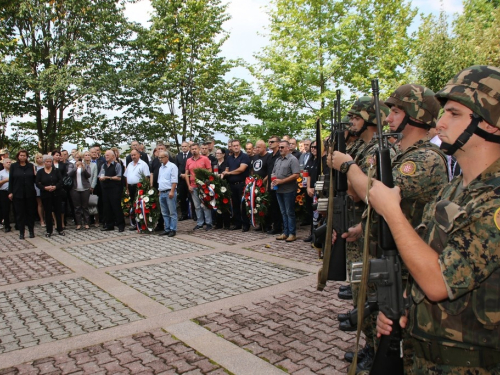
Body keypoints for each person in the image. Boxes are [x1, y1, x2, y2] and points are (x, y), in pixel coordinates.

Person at [373, 66, 500, 374]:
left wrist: (390, 210)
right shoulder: (457, 188)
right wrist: (403, 304)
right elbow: (428, 257)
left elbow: (438, 283)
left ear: (491, 124)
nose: (440, 123)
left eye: (454, 114)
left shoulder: (494, 201)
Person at [332, 87, 449, 372]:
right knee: (378, 308)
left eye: (397, 112)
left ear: (416, 117)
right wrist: (363, 225)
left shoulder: (424, 160)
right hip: (387, 248)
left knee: (397, 328)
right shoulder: (400, 153)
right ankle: (375, 350)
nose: (389, 118)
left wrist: (348, 166)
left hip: (408, 258)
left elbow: (374, 194)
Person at [271, 140, 300, 242]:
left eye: (282, 147)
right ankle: (285, 232)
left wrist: (282, 181)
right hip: (279, 190)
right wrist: (273, 181)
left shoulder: (293, 159)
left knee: (289, 212)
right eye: (279, 147)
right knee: (283, 212)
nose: (280, 149)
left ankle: (292, 233)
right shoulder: (278, 160)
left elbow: (296, 174)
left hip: (289, 190)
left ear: (288, 148)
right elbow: (273, 172)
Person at [222, 139, 251, 232]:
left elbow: (241, 169)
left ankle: (246, 224)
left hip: (242, 184)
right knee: (235, 205)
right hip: (232, 185)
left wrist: (229, 173)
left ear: (240, 146)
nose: (235, 147)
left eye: (237, 145)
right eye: (234, 145)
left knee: (243, 205)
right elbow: (226, 169)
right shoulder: (229, 158)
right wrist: (223, 174)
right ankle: (237, 223)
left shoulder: (244, 156)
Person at [8, 150, 37, 239]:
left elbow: (34, 180)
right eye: (21, 155)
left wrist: (35, 175)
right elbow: (11, 180)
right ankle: (21, 232)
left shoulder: (30, 166)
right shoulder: (14, 166)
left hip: (30, 193)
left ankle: (31, 231)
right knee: (20, 213)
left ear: (27, 157)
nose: (22, 157)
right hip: (18, 193)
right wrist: (10, 192)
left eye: (24, 155)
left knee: (30, 213)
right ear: (18, 156)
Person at [185, 143, 213, 230]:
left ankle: (208, 223)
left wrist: (206, 182)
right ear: (190, 150)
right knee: (197, 206)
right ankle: (200, 223)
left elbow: (209, 170)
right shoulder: (188, 160)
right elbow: (186, 174)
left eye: (195, 149)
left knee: (205, 205)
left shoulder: (205, 159)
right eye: (192, 149)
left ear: (199, 149)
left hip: (203, 185)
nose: (194, 150)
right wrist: (188, 185)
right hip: (193, 185)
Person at [36, 154, 64, 237]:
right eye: (47, 162)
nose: (49, 163)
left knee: (57, 211)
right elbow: (37, 183)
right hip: (46, 194)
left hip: (56, 193)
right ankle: (49, 230)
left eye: (50, 162)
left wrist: (55, 187)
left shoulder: (56, 170)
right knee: (47, 212)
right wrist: (45, 188)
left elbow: (61, 181)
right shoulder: (40, 172)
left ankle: (60, 229)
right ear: (44, 162)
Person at [99, 150, 125, 232]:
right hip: (105, 189)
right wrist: (101, 178)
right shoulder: (103, 165)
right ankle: (109, 225)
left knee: (116, 207)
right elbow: (100, 175)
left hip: (115, 189)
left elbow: (119, 177)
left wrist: (108, 177)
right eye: (105, 155)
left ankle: (121, 225)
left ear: (113, 157)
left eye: (107, 155)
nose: (106, 157)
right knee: (107, 207)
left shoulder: (117, 165)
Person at [124, 149, 150, 229]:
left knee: (139, 205)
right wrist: (127, 188)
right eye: (132, 155)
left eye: (135, 155)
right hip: (131, 187)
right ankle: (135, 223)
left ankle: (141, 223)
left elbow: (146, 177)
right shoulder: (130, 164)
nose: (133, 157)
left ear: (139, 155)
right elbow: (126, 177)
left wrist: (144, 188)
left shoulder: (143, 164)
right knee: (133, 205)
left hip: (139, 187)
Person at [67, 152, 92, 230]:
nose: (79, 159)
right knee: (77, 207)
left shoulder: (86, 165)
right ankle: (78, 223)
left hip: (85, 188)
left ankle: (87, 223)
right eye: (77, 157)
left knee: (85, 206)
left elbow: (88, 175)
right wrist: (76, 167)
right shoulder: (71, 165)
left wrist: (83, 169)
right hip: (75, 189)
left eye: (80, 158)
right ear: (74, 158)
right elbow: (69, 174)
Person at [157, 151, 178, 237]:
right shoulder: (161, 167)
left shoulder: (172, 166)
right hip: (162, 191)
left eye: (161, 158)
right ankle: (167, 228)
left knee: (172, 212)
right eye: (159, 158)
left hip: (169, 191)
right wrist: (159, 191)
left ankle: (173, 229)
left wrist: (172, 191)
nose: (160, 159)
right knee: (164, 212)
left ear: (167, 157)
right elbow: (160, 180)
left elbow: (174, 180)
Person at [266, 135, 283, 234]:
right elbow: (269, 171)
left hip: (279, 184)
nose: (270, 143)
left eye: (272, 142)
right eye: (269, 141)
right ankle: (275, 226)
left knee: (279, 207)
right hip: (271, 183)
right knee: (273, 206)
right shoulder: (270, 156)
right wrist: (268, 183)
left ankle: (279, 227)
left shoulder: (279, 156)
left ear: (278, 143)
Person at [174, 141, 194, 221]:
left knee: (191, 197)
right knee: (182, 198)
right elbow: (175, 167)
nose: (184, 148)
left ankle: (193, 214)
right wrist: (180, 174)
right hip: (181, 180)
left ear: (189, 147)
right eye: (182, 146)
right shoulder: (178, 156)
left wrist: (187, 175)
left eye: (185, 146)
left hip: (190, 179)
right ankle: (184, 214)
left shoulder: (191, 155)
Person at [213, 148, 230, 229]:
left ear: (223, 154)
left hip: (225, 185)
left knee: (225, 203)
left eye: (219, 153)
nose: (217, 155)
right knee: (217, 204)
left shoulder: (226, 163)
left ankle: (226, 223)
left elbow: (226, 172)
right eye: (216, 153)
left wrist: (221, 175)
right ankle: (218, 223)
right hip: (216, 185)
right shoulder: (214, 163)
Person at [34, 153, 46, 227]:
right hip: (38, 186)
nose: (39, 159)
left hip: (46, 185)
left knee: (47, 203)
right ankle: (41, 220)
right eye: (37, 158)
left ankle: (48, 218)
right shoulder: (34, 167)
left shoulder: (46, 165)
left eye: (40, 157)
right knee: (40, 203)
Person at [0, 158, 12, 232]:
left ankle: (18, 224)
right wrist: (6, 180)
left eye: (10, 162)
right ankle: (7, 225)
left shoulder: (14, 172)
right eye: (7, 162)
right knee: (5, 209)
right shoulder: (1, 173)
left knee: (16, 208)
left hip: (13, 192)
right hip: (4, 192)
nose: (9, 163)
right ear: (3, 164)